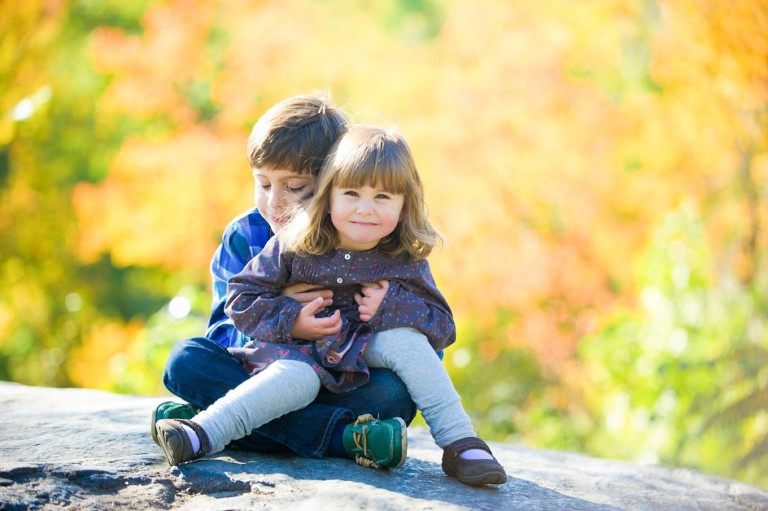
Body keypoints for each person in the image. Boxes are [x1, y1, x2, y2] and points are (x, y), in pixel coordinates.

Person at [155, 124, 507, 486]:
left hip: (361, 361)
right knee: (198, 362)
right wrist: (291, 320)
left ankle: (462, 444)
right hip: (297, 359)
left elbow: (443, 327)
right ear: (328, 196)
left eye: (383, 197)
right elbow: (240, 298)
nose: (365, 209)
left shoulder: (404, 259)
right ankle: (204, 432)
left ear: (405, 206)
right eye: (351, 193)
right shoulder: (295, 243)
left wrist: (391, 308)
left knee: (401, 366)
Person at [153, 94, 417, 469]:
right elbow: (223, 336)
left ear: (334, 182)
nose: (274, 202)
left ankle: (207, 421)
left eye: (295, 188)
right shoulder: (247, 236)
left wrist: (382, 312)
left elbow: (423, 350)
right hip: (260, 379)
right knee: (186, 361)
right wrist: (282, 314)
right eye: (263, 184)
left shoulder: (372, 239)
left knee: (394, 396)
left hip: (340, 387)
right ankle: (347, 438)